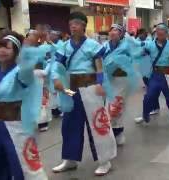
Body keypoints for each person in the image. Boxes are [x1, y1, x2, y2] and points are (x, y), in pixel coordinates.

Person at [51, 12, 117, 176]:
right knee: (69, 124)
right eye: (71, 23)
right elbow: (56, 66)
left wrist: (101, 84)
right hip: (71, 89)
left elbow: (100, 67)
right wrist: (56, 79)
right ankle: (70, 159)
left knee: (97, 123)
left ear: (84, 26)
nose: (73, 26)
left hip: (90, 87)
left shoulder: (93, 45)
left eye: (77, 23)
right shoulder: (64, 46)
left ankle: (105, 160)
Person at [0, 31, 47, 179]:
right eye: (0, 47)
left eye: (7, 48)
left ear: (15, 51)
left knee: (25, 167)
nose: (2, 51)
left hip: (16, 125)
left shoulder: (19, 72)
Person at [134, 23, 169, 128]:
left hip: (167, 75)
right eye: (158, 32)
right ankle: (145, 115)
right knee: (148, 97)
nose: (160, 34)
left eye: (162, 32)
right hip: (155, 75)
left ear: (166, 34)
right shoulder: (149, 44)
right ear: (155, 33)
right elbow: (138, 52)